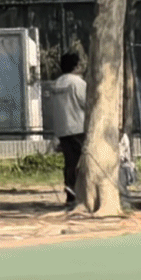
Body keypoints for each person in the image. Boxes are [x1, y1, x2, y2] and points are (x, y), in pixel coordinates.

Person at [45, 51, 89, 206]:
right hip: (78, 127)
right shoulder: (78, 83)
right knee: (81, 162)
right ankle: (80, 193)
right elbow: (87, 103)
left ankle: (70, 193)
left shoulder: (56, 84)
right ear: (76, 66)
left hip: (62, 128)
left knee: (70, 162)